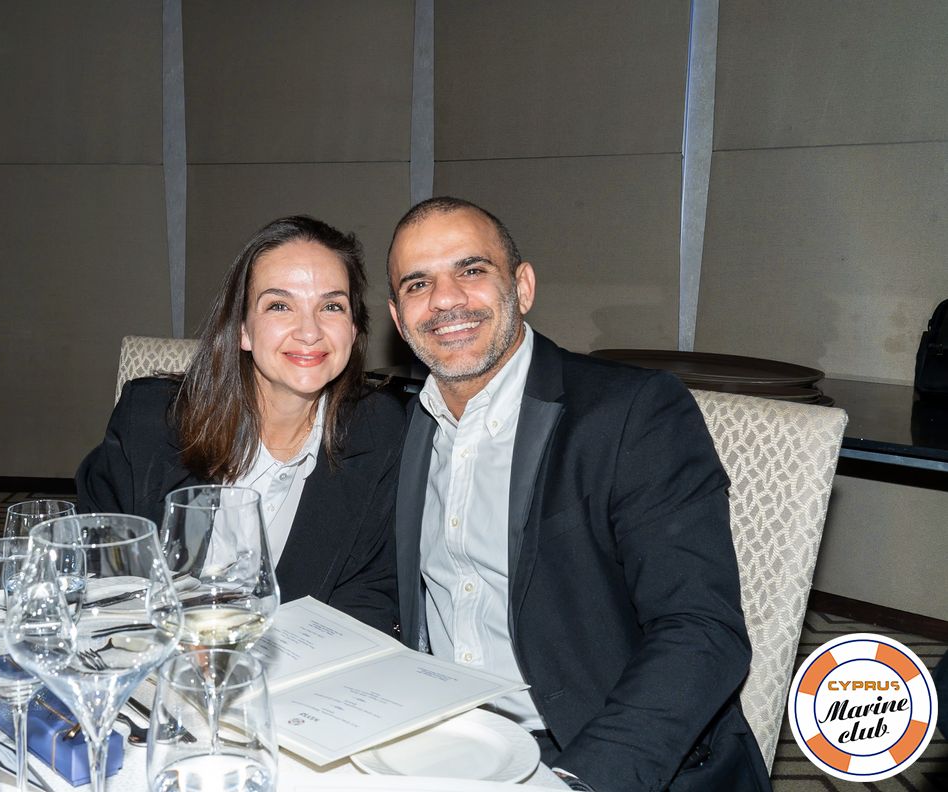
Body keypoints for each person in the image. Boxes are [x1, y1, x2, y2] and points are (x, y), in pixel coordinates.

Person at [386, 197, 771, 791]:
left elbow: (700, 631)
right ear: (397, 316)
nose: (444, 299)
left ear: (522, 287)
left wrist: (575, 781)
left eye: (471, 269)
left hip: (593, 751)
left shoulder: (633, 413)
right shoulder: (401, 426)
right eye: (418, 284)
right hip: (446, 744)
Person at [78, 215, 403, 634]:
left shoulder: (380, 431)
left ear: (353, 329)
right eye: (280, 306)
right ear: (243, 330)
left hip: (300, 668)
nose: (309, 332)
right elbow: (98, 564)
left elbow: (371, 593)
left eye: (331, 306)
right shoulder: (150, 421)